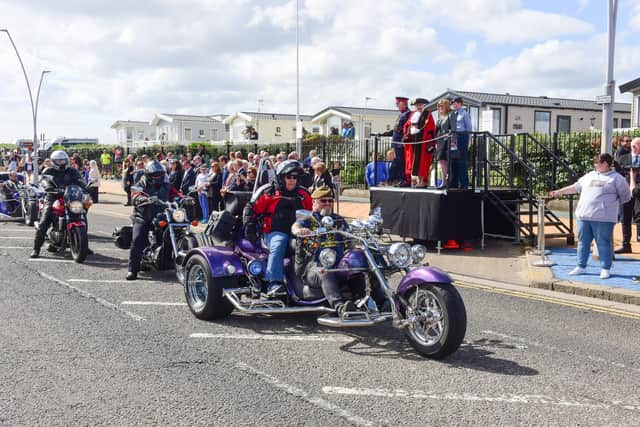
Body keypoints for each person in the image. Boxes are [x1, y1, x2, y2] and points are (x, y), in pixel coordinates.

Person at [550, 153, 631, 279]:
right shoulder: (589, 175)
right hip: (584, 215)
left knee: (603, 242)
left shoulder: (617, 178)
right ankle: (581, 266)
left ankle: (605, 268)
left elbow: (625, 196)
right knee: (583, 242)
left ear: (606, 164)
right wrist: (559, 192)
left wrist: (610, 209)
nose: (595, 165)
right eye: (595, 162)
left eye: (597, 162)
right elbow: (576, 187)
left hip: (604, 218)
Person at [291, 186, 366, 315]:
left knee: (359, 268)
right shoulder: (308, 218)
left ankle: (378, 302)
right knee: (325, 272)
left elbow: (350, 237)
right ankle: (340, 307)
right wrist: (300, 231)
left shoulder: (337, 220)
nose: (327, 204)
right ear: (314, 201)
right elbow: (296, 226)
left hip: (338, 263)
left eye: (330, 201)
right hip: (312, 267)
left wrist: (358, 243)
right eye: (323, 201)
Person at [243, 160, 312, 296]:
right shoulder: (269, 192)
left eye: (295, 177)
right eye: (289, 177)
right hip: (275, 232)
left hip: (300, 232)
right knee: (279, 242)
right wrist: (249, 228)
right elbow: (250, 209)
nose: (292, 180)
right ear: (281, 177)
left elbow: (312, 214)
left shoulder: (303, 194)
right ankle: (274, 282)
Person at [30, 151, 90, 259]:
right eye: (59, 161)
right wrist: (49, 187)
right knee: (44, 221)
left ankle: (84, 245)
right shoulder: (49, 170)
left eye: (63, 160)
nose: (61, 163)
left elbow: (79, 180)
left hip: (70, 197)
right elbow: (44, 180)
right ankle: (36, 248)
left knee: (83, 215)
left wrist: (85, 187)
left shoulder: (72, 170)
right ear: (53, 162)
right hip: (53, 197)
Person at [127, 160, 176, 280]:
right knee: (138, 240)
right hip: (143, 216)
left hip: (162, 216)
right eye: (155, 175)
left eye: (160, 174)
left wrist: (185, 198)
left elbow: (176, 193)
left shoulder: (166, 184)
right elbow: (134, 194)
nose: (158, 177)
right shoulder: (142, 182)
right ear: (149, 175)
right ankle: (132, 270)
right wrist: (140, 199)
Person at [402, 98, 435, 188]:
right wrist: (409, 131)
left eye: (420, 105)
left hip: (423, 142)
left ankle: (422, 182)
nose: (419, 106)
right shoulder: (413, 114)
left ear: (423, 105)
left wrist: (429, 141)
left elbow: (431, 128)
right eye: (417, 105)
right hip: (414, 143)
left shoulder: (428, 114)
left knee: (422, 163)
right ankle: (415, 181)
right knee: (413, 162)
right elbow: (406, 125)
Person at [380, 96, 411, 186]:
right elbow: (396, 130)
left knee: (400, 162)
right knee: (398, 162)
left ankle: (403, 180)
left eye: (398, 103)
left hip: (400, 143)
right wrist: (384, 134)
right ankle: (397, 180)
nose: (396, 105)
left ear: (404, 103)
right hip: (396, 143)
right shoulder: (401, 114)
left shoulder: (407, 114)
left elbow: (405, 129)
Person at [614, 136, 634, 253]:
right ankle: (626, 244)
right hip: (626, 190)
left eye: (630, 141)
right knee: (625, 218)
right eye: (626, 141)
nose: (628, 143)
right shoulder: (621, 154)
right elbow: (618, 170)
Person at [449, 96, 473, 189]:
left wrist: (469, 141)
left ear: (460, 104)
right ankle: (454, 182)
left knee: (462, 161)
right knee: (453, 161)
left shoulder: (464, 114)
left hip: (462, 137)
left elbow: (469, 128)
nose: (454, 105)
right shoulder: (453, 114)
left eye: (455, 103)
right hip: (454, 138)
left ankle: (464, 183)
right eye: (453, 103)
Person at [435, 98, 456, 189]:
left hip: (447, 141)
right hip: (440, 142)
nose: (440, 107)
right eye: (438, 106)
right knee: (441, 161)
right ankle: (444, 181)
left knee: (447, 162)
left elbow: (454, 129)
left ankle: (447, 181)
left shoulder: (451, 115)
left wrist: (453, 141)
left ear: (446, 106)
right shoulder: (440, 117)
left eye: (442, 106)